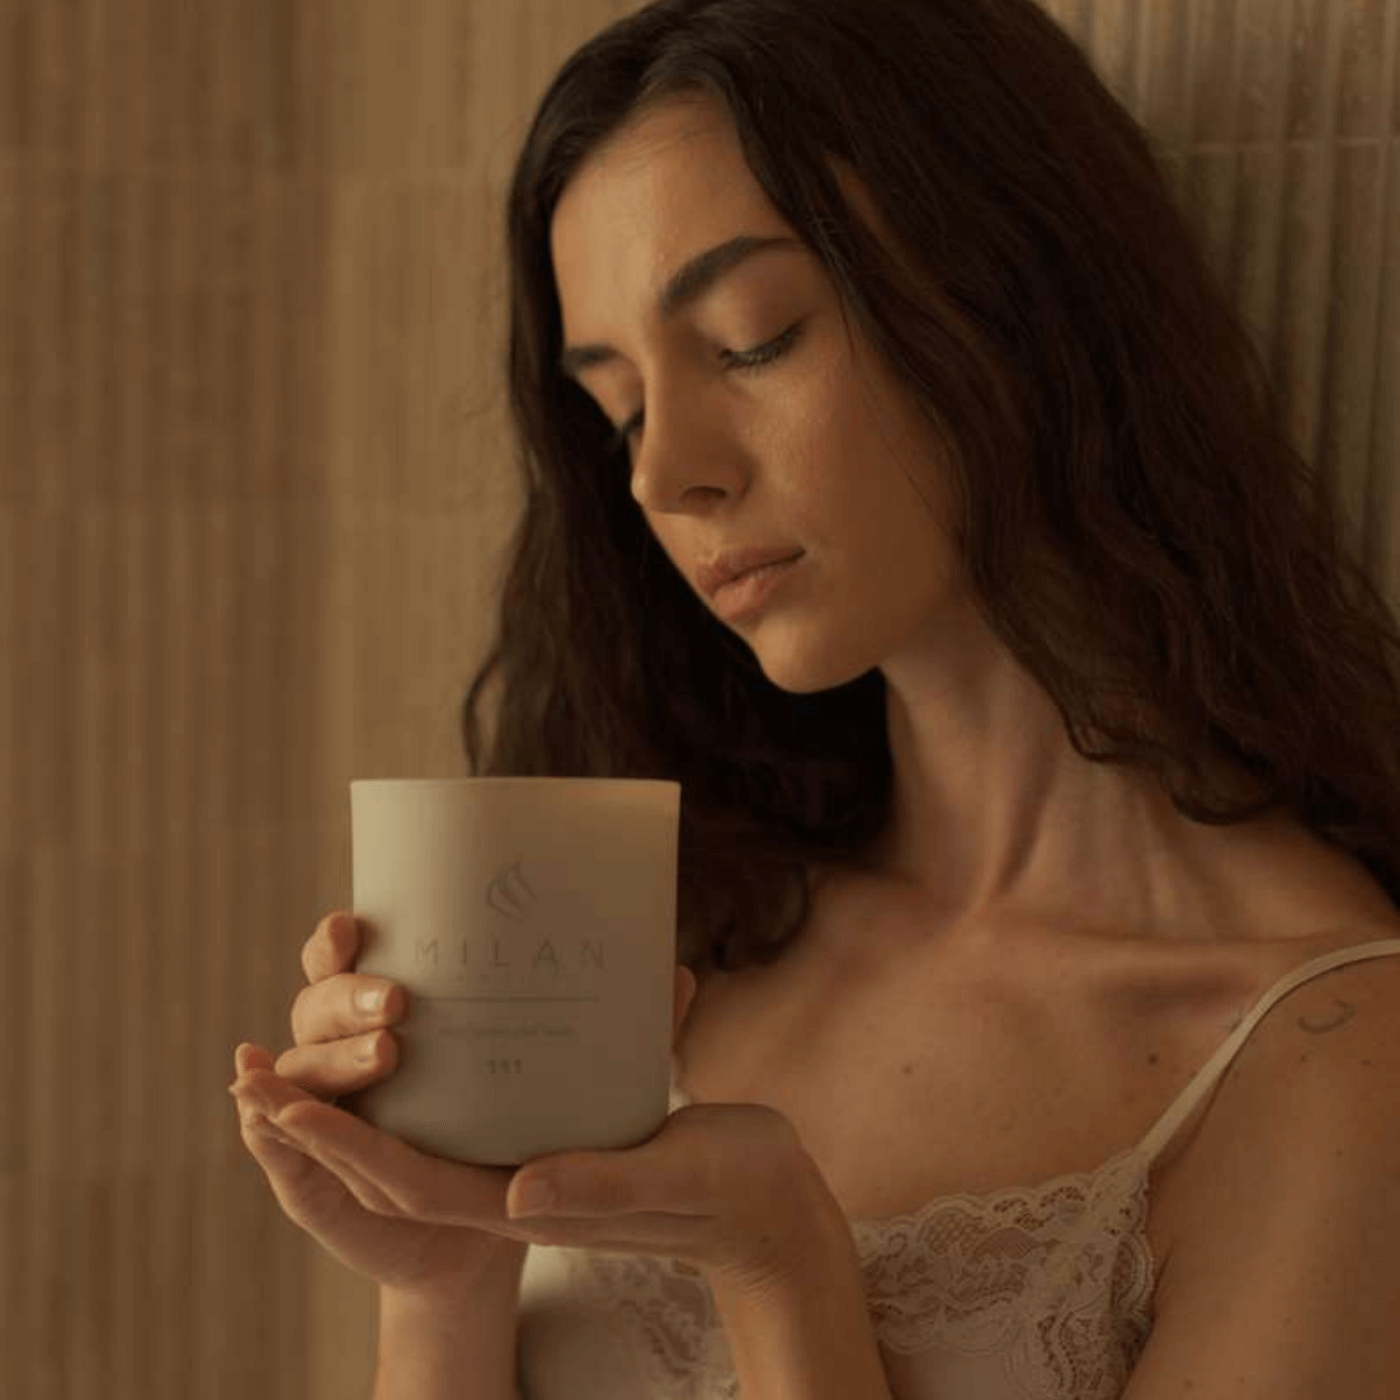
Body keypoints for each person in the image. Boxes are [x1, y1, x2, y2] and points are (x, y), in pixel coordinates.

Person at [229, 2, 1400, 1397]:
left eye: (750, 339)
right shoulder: (677, 935)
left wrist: (782, 1268)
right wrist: (443, 1282)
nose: (665, 474)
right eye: (620, 411)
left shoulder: (1328, 1062)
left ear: (1015, 288)